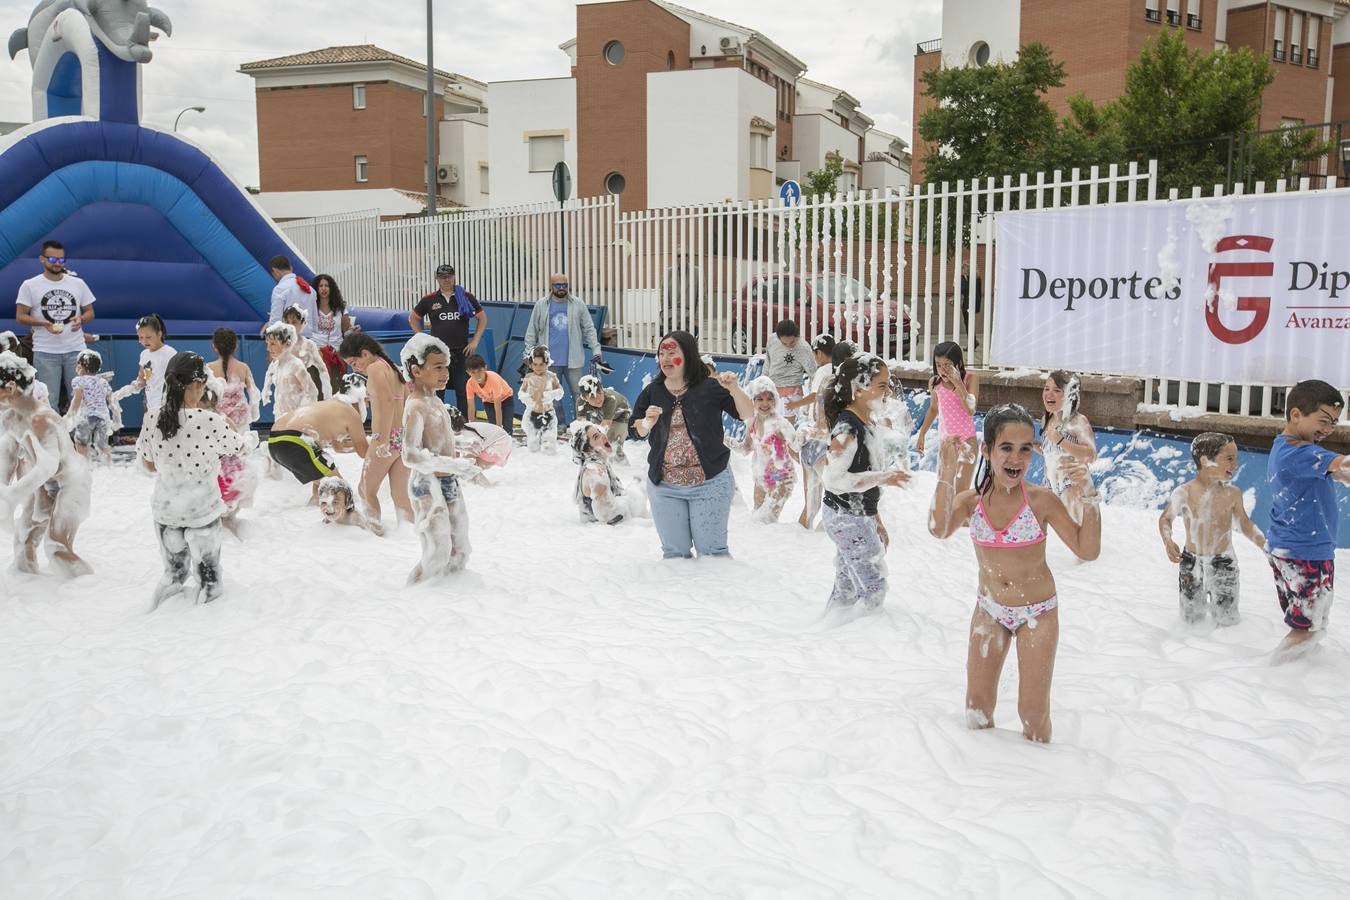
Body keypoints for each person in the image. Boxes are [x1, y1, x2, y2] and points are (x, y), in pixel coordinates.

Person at [929, 404, 1101, 743]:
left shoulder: (1041, 500)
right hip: (990, 611)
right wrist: (946, 474)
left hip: (1037, 613)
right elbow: (938, 528)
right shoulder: (970, 502)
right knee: (976, 710)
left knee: (1033, 717)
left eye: (1026, 449)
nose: (1016, 459)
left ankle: (1040, 782)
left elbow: (1087, 550)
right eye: (1006, 448)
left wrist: (1090, 495)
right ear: (987, 449)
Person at [137, 352, 248, 608]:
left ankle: (154, 615)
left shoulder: (151, 417)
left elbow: (148, 464)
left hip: (166, 513)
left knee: (173, 575)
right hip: (202, 512)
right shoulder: (209, 420)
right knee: (210, 580)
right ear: (197, 384)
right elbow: (239, 448)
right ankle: (205, 629)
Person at [632, 330, 753, 559]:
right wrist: (646, 423)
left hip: (710, 484)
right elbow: (634, 429)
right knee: (674, 555)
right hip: (665, 488)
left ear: (688, 355)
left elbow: (746, 413)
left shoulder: (710, 388)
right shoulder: (653, 391)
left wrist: (734, 389)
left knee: (712, 554)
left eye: (672, 353)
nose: (666, 359)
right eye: (662, 353)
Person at [818, 354, 911, 618]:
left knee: (846, 587)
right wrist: (885, 477)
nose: (888, 391)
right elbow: (834, 480)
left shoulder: (866, 421)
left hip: (852, 515)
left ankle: (828, 635)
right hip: (846, 517)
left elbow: (862, 481)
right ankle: (864, 645)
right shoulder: (847, 429)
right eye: (882, 385)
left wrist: (875, 518)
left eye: (888, 384)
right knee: (874, 589)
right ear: (858, 389)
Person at [1265, 379, 1350, 662]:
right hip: (1306, 553)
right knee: (1307, 629)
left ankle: (1298, 677)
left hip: (1288, 549)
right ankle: (1269, 677)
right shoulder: (1302, 453)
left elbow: (1336, 470)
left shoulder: (1287, 448)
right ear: (1296, 414)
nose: (1328, 429)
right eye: (1324, 420)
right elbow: (1340, 464)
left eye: (1334, 423)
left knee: (1309, 624)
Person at [0, 350, 92, 576]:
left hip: (73, 482)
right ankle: (29, 589)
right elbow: (8, 457)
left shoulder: (41, 419)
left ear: (10, 388)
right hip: (45, 485)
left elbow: (47, 466)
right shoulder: (11, 418)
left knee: (56, 547)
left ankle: (91, 595)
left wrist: (13, 494)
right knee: (23, 540)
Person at [1158, 432, 1265, 627]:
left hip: (1223, 562)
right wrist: (1167, 540)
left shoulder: (1232, 493)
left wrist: (1264, 544)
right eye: (1229, 459)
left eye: (1236, 458)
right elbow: (1165, 518)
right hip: (1191, 562)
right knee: (1191, 621)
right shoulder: (1185, 492)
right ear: (1205, 461)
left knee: (1227, 619)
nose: (1236, 464)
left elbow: (1244, 523)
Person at [399, 333, 479, 583]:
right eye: (437, 367)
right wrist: (453, 464)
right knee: (438, 549)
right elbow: (410, 455)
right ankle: (418, 595)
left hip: (448, 480)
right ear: (416, 370)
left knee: (460, 547)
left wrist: (463, 450)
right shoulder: (415, 406)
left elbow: (440, 443)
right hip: (426, 484)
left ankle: (451, 598)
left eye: (446, 366)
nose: (445, 373)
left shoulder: (435, 401)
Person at [339, 331, 414, 525]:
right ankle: (408, 533)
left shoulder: (374, 369)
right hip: (402, 438)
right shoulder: (392, 367)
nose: (355, 368)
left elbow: (388, 402)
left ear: (365, 353)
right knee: (400, 495)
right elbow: (406, 402)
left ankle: (374, 531)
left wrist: (383, 439)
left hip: (387, 438)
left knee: (365, 489)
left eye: (354, 363)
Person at [13, 239, 96, 412]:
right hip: (45, 352)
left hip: (76, 350)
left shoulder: (77, 284)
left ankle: (79, 439)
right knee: (48, 402)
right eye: (53, 259)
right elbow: (20, 316)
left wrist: (81, 319)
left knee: (81, 400)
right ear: (42, 259)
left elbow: (90, 312)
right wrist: (42, 323)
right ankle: (54, 438)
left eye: (61, 259)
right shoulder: (30, 285)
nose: (58, 263)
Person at [522, 273, 603, 431]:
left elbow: (589, 328)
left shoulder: (578, 304)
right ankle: (559, 425)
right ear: (551, 286)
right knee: (552, 395)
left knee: (579, 394)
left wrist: (596, 349)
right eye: (558, 285)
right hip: (548, 361)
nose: (561, 288)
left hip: (573, 359)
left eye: (564, 285)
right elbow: (531, 331)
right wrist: (528, 353)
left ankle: (581, 426)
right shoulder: (541, 305)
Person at [409, 264, 487, 415]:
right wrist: (422, 338)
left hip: (461, 351)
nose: (446, 280)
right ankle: (438, 420)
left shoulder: (464, 296)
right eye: (442, 277)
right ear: (437, 279)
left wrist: (475, 341)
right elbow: (413, 318)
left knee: (463, 390)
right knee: (438, 390)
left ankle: (463, 423)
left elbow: (482, 318)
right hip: (438, 354)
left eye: (449, 276)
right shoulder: (429, 299)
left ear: (454, 277)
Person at [267, 395, 371, 501]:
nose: (367, 407)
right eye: (367, 402)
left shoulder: (332, 406)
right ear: (360, 400)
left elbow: (339, 447)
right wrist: (378, 446)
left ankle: (310, 512)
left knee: (323, 492)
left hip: (275, 441)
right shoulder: (352, 414)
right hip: (297, 442)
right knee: (342, 494)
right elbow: (363, 452)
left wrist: (367, 445)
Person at [915, 341, 979, 492]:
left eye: (947, 365)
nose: (942, 370)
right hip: (947, 444)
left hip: (967, 443)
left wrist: (958, 383)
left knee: (960, 494)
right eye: (938, 365)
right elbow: (933, 408)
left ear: (959, 363)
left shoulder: (970, 379)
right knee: (945, 492)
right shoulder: (935, 382)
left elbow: (971, 409)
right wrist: (922, 434)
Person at [736, 375, 799, 524]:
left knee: (766, 521)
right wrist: (723, 439)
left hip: (781, 478)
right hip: (761, 478)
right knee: (756, 519)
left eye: (770, 399)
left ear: (776, 401)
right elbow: (745, 448)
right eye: (760, 399)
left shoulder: (780, 423)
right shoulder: (751, 421)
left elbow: (796, 446)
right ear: (753, 400)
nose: (765, 403)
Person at [1040, 370, 1097, 524]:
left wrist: (1060, 440)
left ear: (1070, 395)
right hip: (1049, 483)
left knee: (1074, 529)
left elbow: (1090, 455)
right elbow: (1052, 453)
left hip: (1071, 484)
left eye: (1057, 390)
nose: (1049, 394)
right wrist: (1031, 446)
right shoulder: (1047, 418)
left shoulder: (1078, 422)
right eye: (1046, 389)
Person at [795, 333, 837, 529]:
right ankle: (817, 543)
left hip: (811, 442)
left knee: (810, 505)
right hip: (825, 443)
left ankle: (801, 539)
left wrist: (799, 405)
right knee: (834, 500)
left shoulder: (823, 373)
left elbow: (816, 397)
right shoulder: (838, 375)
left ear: (818, 353)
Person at [571, 420, 647, 525]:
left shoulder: (598, 464)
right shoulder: (595, 472)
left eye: (600, 432)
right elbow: (608, 516)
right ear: (588, 450)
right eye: (596, 437)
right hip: (600, 536)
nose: (603, 436)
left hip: (600, 533)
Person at [111, 314, 178, 427]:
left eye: (148, 337)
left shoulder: (169, 353)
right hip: (150, 403)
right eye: (140, 337)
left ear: (159, 334)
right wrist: (129, 389)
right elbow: (143, 379)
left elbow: (178, 378)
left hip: (167, 404)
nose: (144, 341)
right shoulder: (144, 355)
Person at [66, 349, 117, 463]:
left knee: (81, 443)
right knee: (103, 445)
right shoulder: (103, 381)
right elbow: (112, 400)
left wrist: (70, 415)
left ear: (81, 366)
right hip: (103, 417)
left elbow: (77, 399)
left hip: (86, 417)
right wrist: (116, 418)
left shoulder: (78, 380)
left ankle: (84, 467)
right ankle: (108, 468)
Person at [206, 327, 261, 435]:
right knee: (242, 449)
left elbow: (204, 398)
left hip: (217, 420)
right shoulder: (243, 367)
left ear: (214, 346)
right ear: (236, 346)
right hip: (240, 420)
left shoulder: (208, 368)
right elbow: (254, 394)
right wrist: (254, 415)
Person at [261, 322, 318, 418]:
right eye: (267, 343)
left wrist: (302, 414)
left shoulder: (296, 365)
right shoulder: (275, 365)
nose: (268, 348)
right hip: (280, 416)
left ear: (287, 344)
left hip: (297, 418)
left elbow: (312, 392)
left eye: (273, 344)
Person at [764, 320, 817, 423]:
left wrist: (810, 402)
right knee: (769, 429)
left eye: (792, 342)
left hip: (792, 393)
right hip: (772, 390)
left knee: (786, 430)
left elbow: (814, 374)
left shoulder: (804, 348)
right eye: (784, 343)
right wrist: (762, 386)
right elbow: (767, 364)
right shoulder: (772, 340)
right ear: (778, 338)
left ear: (797, 336)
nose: (788, 346)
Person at [575, 373, 631, 464]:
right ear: (584, 398)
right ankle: (597, 462)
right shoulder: (580, 402)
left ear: (602, 389)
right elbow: (581, 424)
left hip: (621, 416)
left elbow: (605, 425)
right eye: (592, 397)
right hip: (598, 415)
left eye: (600, 393)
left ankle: (622, 465)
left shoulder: (610, 399)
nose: (598, 399)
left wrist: (596, 439)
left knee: (612, 444)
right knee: (593, 442)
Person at [311, 273, 352, 394]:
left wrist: (352, 330)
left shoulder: (341, 308)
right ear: (316, 289)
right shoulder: (311, 307)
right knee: (319, 389)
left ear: (331, 288)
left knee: (337, 390)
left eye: (326, 286)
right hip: (317, 354)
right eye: (320, 286)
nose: (323, 288)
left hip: (336, 354)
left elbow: (347, 330)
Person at [282, 304, 333, 401]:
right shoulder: (281, 344)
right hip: (285, 392)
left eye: (294, 322)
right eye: (287, 322)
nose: (290, 326)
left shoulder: (309, 345)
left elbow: (323, 370)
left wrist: (327, 395)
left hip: (305, 392)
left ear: (302, 323)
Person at [519, 345, 564, 454]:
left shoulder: (551, 376)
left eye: (541, 364)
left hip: (548, 414)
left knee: (549, 446)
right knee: (533, 447)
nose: (538, 367)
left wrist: (551, 394)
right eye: (535, 364)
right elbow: (521, 392)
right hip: (532, 415)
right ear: (531, 364)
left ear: (547, 363)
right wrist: (526, 398)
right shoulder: (528, 377)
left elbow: (561, 392)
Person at [447, 406, 512, 476]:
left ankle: (486, 486)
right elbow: (456, 455)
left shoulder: (466, 435)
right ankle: (482, 484)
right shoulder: (459, 432)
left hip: (501, 442)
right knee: (466, 467)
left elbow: (472, 455)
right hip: (499, 439)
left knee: (470, 468)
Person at [264, 255, 316, 337]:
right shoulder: (310, 289)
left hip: (288, 338)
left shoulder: (280, 289)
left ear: (275, 271)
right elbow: (314, 319)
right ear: (291, 268)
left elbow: (275, 320)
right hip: (307, 339)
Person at [317, 475, 383, 536]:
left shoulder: (354, 519)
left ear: (347, 503)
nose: (329, 507)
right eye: (324, 502)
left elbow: (371, 535)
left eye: (335, 502)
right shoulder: (330, 516)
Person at [464, 354, 513, 428]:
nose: (477, 375)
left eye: (480, 371)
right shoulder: (470, 384)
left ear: (485, 368)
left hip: (506, 399)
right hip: (488, 402)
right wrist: (471, 426)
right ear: (468, 372)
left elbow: (498, 406)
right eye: (473, 372)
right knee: (492, 426)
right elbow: (471, 406)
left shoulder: (493, 380)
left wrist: (499, 427)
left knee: (506, 427)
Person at [958, 258, 983, 346]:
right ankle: (974, 341)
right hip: (973, 303)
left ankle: (972, 343)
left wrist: (961, 280)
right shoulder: (977, 278)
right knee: (969, 323)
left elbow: (964, 289)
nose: (962, 270)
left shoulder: (968, 278)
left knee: (968, 324)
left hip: (968, 304)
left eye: (963, 268)